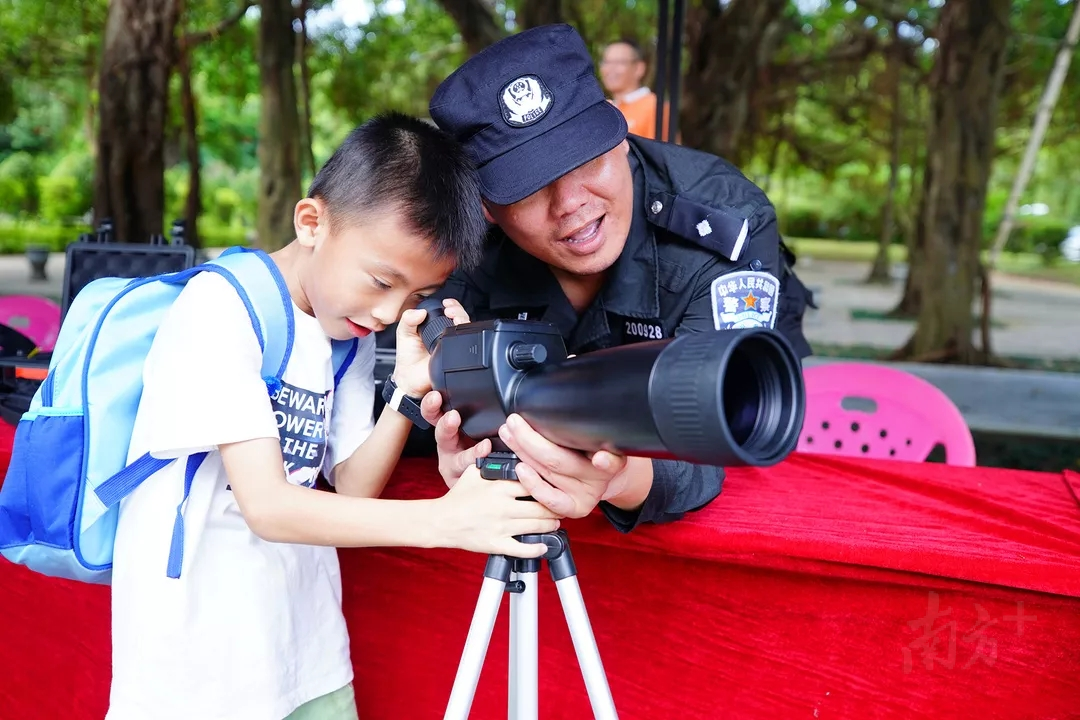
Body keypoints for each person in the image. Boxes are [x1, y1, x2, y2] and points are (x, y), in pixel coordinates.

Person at [105, 113, 562, 720]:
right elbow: (267, 505)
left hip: (307, 647)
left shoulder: (344, 333)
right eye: (380, 281)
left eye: (413, 297)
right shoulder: (221, 308)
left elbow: (353, 483)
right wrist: (444, 522)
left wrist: (405, 390)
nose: (387, 312)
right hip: (198, 667)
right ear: (312, 222)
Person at [416, 24, 814, 534]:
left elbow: (727, 426)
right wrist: (463, 434)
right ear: (487, 207)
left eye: (585, 160)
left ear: (620, 136)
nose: (571, 205)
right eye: (527, 188)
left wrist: (618, 480)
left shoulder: (721, 219)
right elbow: (409, 382)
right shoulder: (462, 244)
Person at [599, 38, 673, 141]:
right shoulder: (607, 109)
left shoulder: (654, 106)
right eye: (606, 62)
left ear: (639, 68)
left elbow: (663, 153)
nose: (610, 69)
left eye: (619, 62)